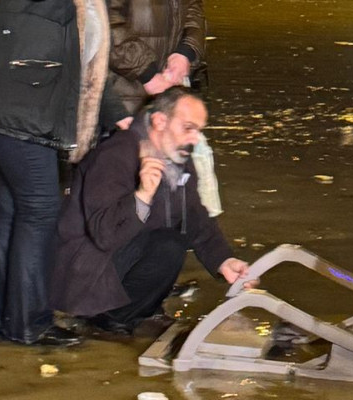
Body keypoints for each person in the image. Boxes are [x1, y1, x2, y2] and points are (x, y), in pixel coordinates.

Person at [0, 0, 154, 346]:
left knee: (14, 212)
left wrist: (120, 117)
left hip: (27, 112)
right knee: (41, 211)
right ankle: (31, 322)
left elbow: (86, 64)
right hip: (18, 111)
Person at [52, 87, 250, 334]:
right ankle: (105, 317)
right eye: (188, 128)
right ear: (159, 121)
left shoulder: (176, 158)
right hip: (86, 273)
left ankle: (131, 313)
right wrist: (142, 195)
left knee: (172, 239)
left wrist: (223, 260)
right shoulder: (116, 154)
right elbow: (103, 234)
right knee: (169, 244)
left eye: (198, 130)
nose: (194, 138)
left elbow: (194, 213)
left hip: (119, 258)